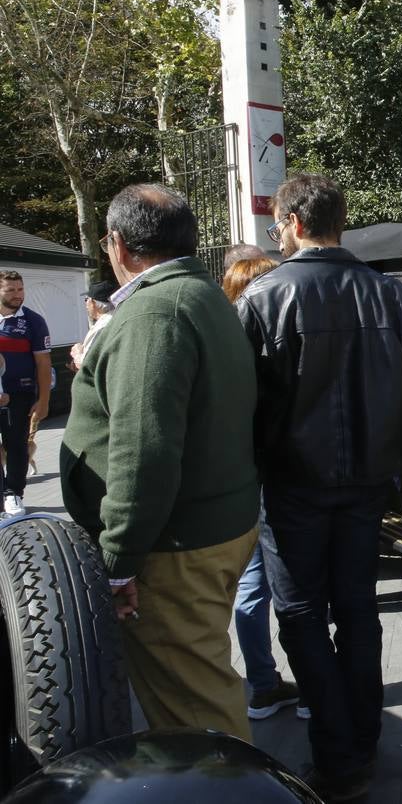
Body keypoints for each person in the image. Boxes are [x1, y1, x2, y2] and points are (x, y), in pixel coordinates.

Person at [235, 174, 402, 801]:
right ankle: (361, 740)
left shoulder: (263, 299)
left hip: (292, 486)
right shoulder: (393, 298)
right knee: (356, 611)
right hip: (365, 484)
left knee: (301, 616)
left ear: (295, 222)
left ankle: (339, 756)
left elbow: (242, 408)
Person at [60, 184, 260, 740]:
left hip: (173, 546)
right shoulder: (198, 297)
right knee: (200, 682)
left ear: (118, 246)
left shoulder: (154, 311)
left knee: (195, 712)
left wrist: (120, 556)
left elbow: (144, 450)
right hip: (204, 530)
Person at [220, 257, 306, 722]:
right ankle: (307, 687)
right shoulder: (271, 345)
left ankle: (263, 684)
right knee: (298, 584)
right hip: (279, 479)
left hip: (244, 480)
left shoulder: (225, 344)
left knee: (253, 588)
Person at [0, 270, 52, 515]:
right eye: (10, 290)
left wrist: (43, 400)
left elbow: (43, 363)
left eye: (20, 289)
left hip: (20, 395)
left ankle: (13, 494)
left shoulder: (33, 321)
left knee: (17, 446)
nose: (18, 295)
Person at [69, 279, 117, 371]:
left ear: (92, 302)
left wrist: (77, 353)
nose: (86, 304)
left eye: (86, 299)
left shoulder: (104, 325)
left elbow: (87, 364)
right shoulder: (116, 317)